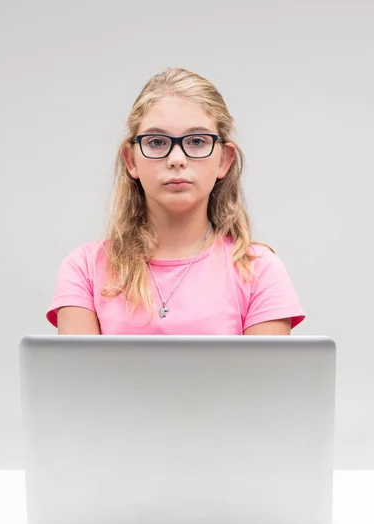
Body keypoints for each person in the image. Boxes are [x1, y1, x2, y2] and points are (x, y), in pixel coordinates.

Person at [46, 67, 305, 335]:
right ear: (131, 160)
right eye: (157, 142)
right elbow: (78, 376)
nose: (176, 159)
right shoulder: (85, 268)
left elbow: (265, 377)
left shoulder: (258, 269)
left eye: (196, 141)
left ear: (224, 160)